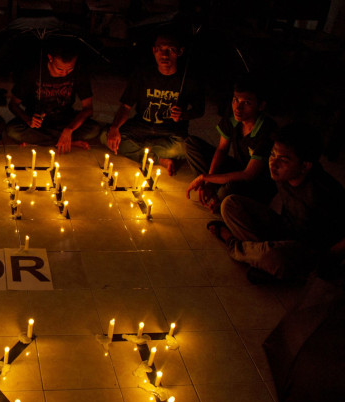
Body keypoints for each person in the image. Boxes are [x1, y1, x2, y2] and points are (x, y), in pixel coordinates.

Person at [208, 122, 345, 284]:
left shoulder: (323, 191)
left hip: (307, 251)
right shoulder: (281, 174)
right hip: (285, 230)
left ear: (305, 166)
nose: (273, 163)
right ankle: (260, 260)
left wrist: (325, 260)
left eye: (283, 160)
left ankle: (233, 243)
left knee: (274, 257)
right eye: (272, 155)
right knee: (230, 204)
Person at [102, 30, 204, 175]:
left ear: (180, 52)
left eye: (171, 50)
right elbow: (126, 106)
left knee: (184, 148)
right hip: (142, 126)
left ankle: (142, 151)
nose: (164, 55)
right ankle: (159, 159)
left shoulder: (189, 79)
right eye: (160, 49)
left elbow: (199, 110)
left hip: (171, 132)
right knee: (106, 136)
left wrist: (183, 115)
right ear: (154, 50)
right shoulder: (143, 74)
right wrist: (115, 128)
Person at [185, 76, 277, 212]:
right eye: (235, 100)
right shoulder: (234, 116)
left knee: (228, 191)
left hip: (256, 183)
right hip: (237, 168)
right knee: (191, 144)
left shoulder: (266, 131)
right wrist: (210, 180)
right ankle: (210, 187)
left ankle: (218, 194)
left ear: (261, 105)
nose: (238, 108)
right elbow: (222, 149)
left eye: (246, 103)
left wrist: (207, 177)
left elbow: (249, 174)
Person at [6, 41, 100, 153]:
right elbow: (13, 104)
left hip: (66, 120)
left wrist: (69, 129)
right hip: (38, 124)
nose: (64, 73)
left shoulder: (79, 72)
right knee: (13, 130)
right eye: (60, 69)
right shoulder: (33, 72)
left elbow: (88, 108)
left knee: (94, 129)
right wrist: (28, 119)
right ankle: (64, 141)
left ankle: (51, 141)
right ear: (50, 58)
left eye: (70, 69)